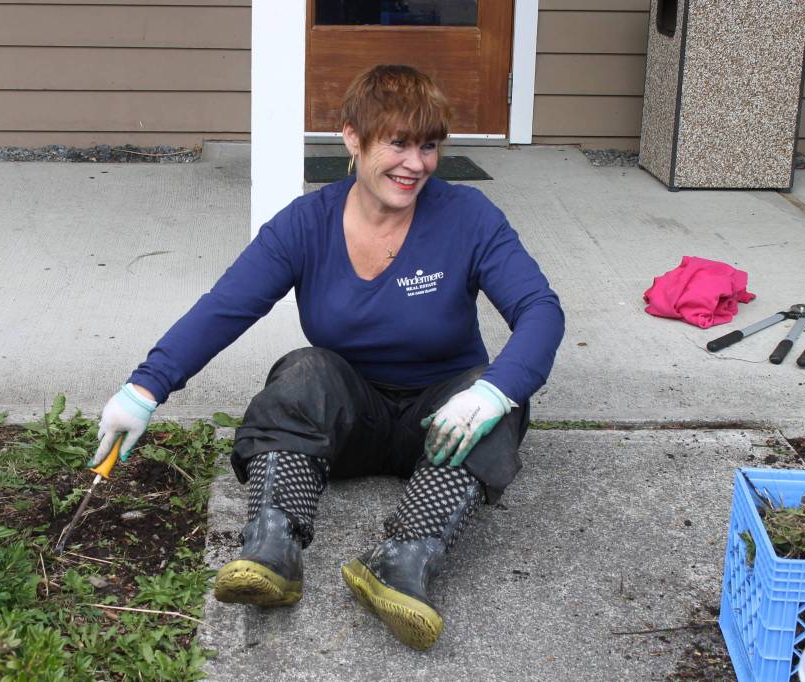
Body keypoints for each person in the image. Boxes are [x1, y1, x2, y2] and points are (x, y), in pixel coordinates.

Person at [91, 64, 565, 651]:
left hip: (446, 421)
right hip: (346, 420)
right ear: (351, 137)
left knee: (503, 399)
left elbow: (540, 309)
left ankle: (403, 559)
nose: (415, 163)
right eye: (397, 142)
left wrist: (493, 392)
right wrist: (144, 389)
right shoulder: (305, 224)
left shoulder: (469, 218)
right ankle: (273, 547)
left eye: (428, 146)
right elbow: (226, 307)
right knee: (304, 368)